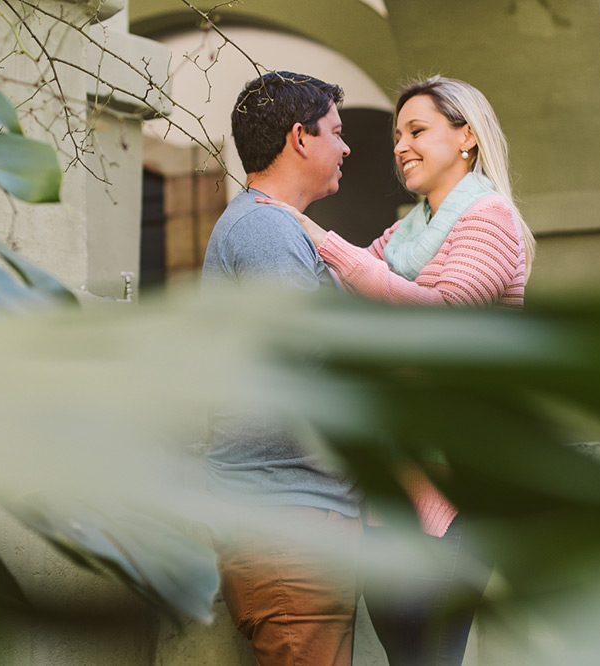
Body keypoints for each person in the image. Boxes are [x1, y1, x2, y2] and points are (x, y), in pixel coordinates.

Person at [258, 75, 535, 666]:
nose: (400, 146)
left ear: (466, 137)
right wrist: (279, 235)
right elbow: (353, 280)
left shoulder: (489, 219)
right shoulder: (412, 231)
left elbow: (439, 320)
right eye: (396, 135)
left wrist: (320, 238)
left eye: (417, 130)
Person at [201, 71, 362, 666]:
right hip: (288, 526)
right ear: (300, 137)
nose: (346, 147)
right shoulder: (265, 228)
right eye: (337, 132)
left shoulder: (271, 225)